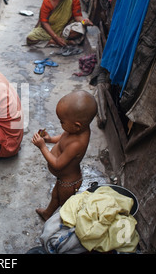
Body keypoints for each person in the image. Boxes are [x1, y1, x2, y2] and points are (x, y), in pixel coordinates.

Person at [31, 90, 97, 221]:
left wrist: (42, 147)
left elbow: (57, 164)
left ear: (77, 125)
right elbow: (62, 137)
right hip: (63, 179)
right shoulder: (75, 130)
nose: (61, 124)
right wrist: (49, 140)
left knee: (65, 206)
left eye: (62, 122)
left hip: (69, 182)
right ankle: (47, 213)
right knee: (55, 195)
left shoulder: (77, 144)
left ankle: (65, 225)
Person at [26, 0, 93, 47]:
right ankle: (58, 42)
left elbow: (77, 16)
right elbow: (44, 22)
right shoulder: (48, 0)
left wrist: (84, 21)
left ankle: (57, 40)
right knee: (30, 38)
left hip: (65, 29)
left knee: (79, 29)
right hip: (49, 30)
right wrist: (55, 38)